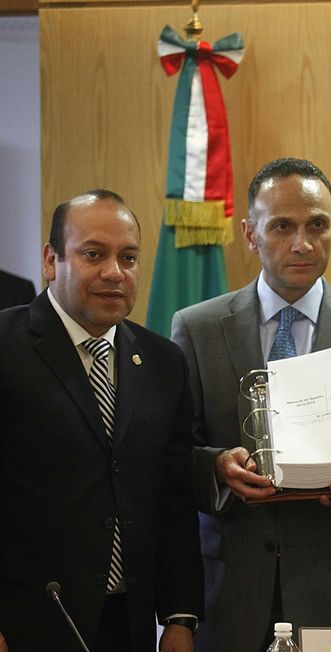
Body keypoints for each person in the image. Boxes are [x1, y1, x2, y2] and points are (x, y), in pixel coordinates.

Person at [171, 157, 331, 652]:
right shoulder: (197, 329)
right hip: (227, 585)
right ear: (250, 234)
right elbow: (170, 455)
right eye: (282, 226)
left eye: (316, 225)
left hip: (330, 585)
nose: (302, 243)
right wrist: (216, 467)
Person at [0, 190, 202, 651]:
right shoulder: (6, 347)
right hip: (25, 620)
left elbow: (173, 498)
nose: (115, 272)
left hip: (128, 623)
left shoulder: (162, 362)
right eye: (93, 254)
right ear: (51, 261)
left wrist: (180, 616)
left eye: (128, 258)